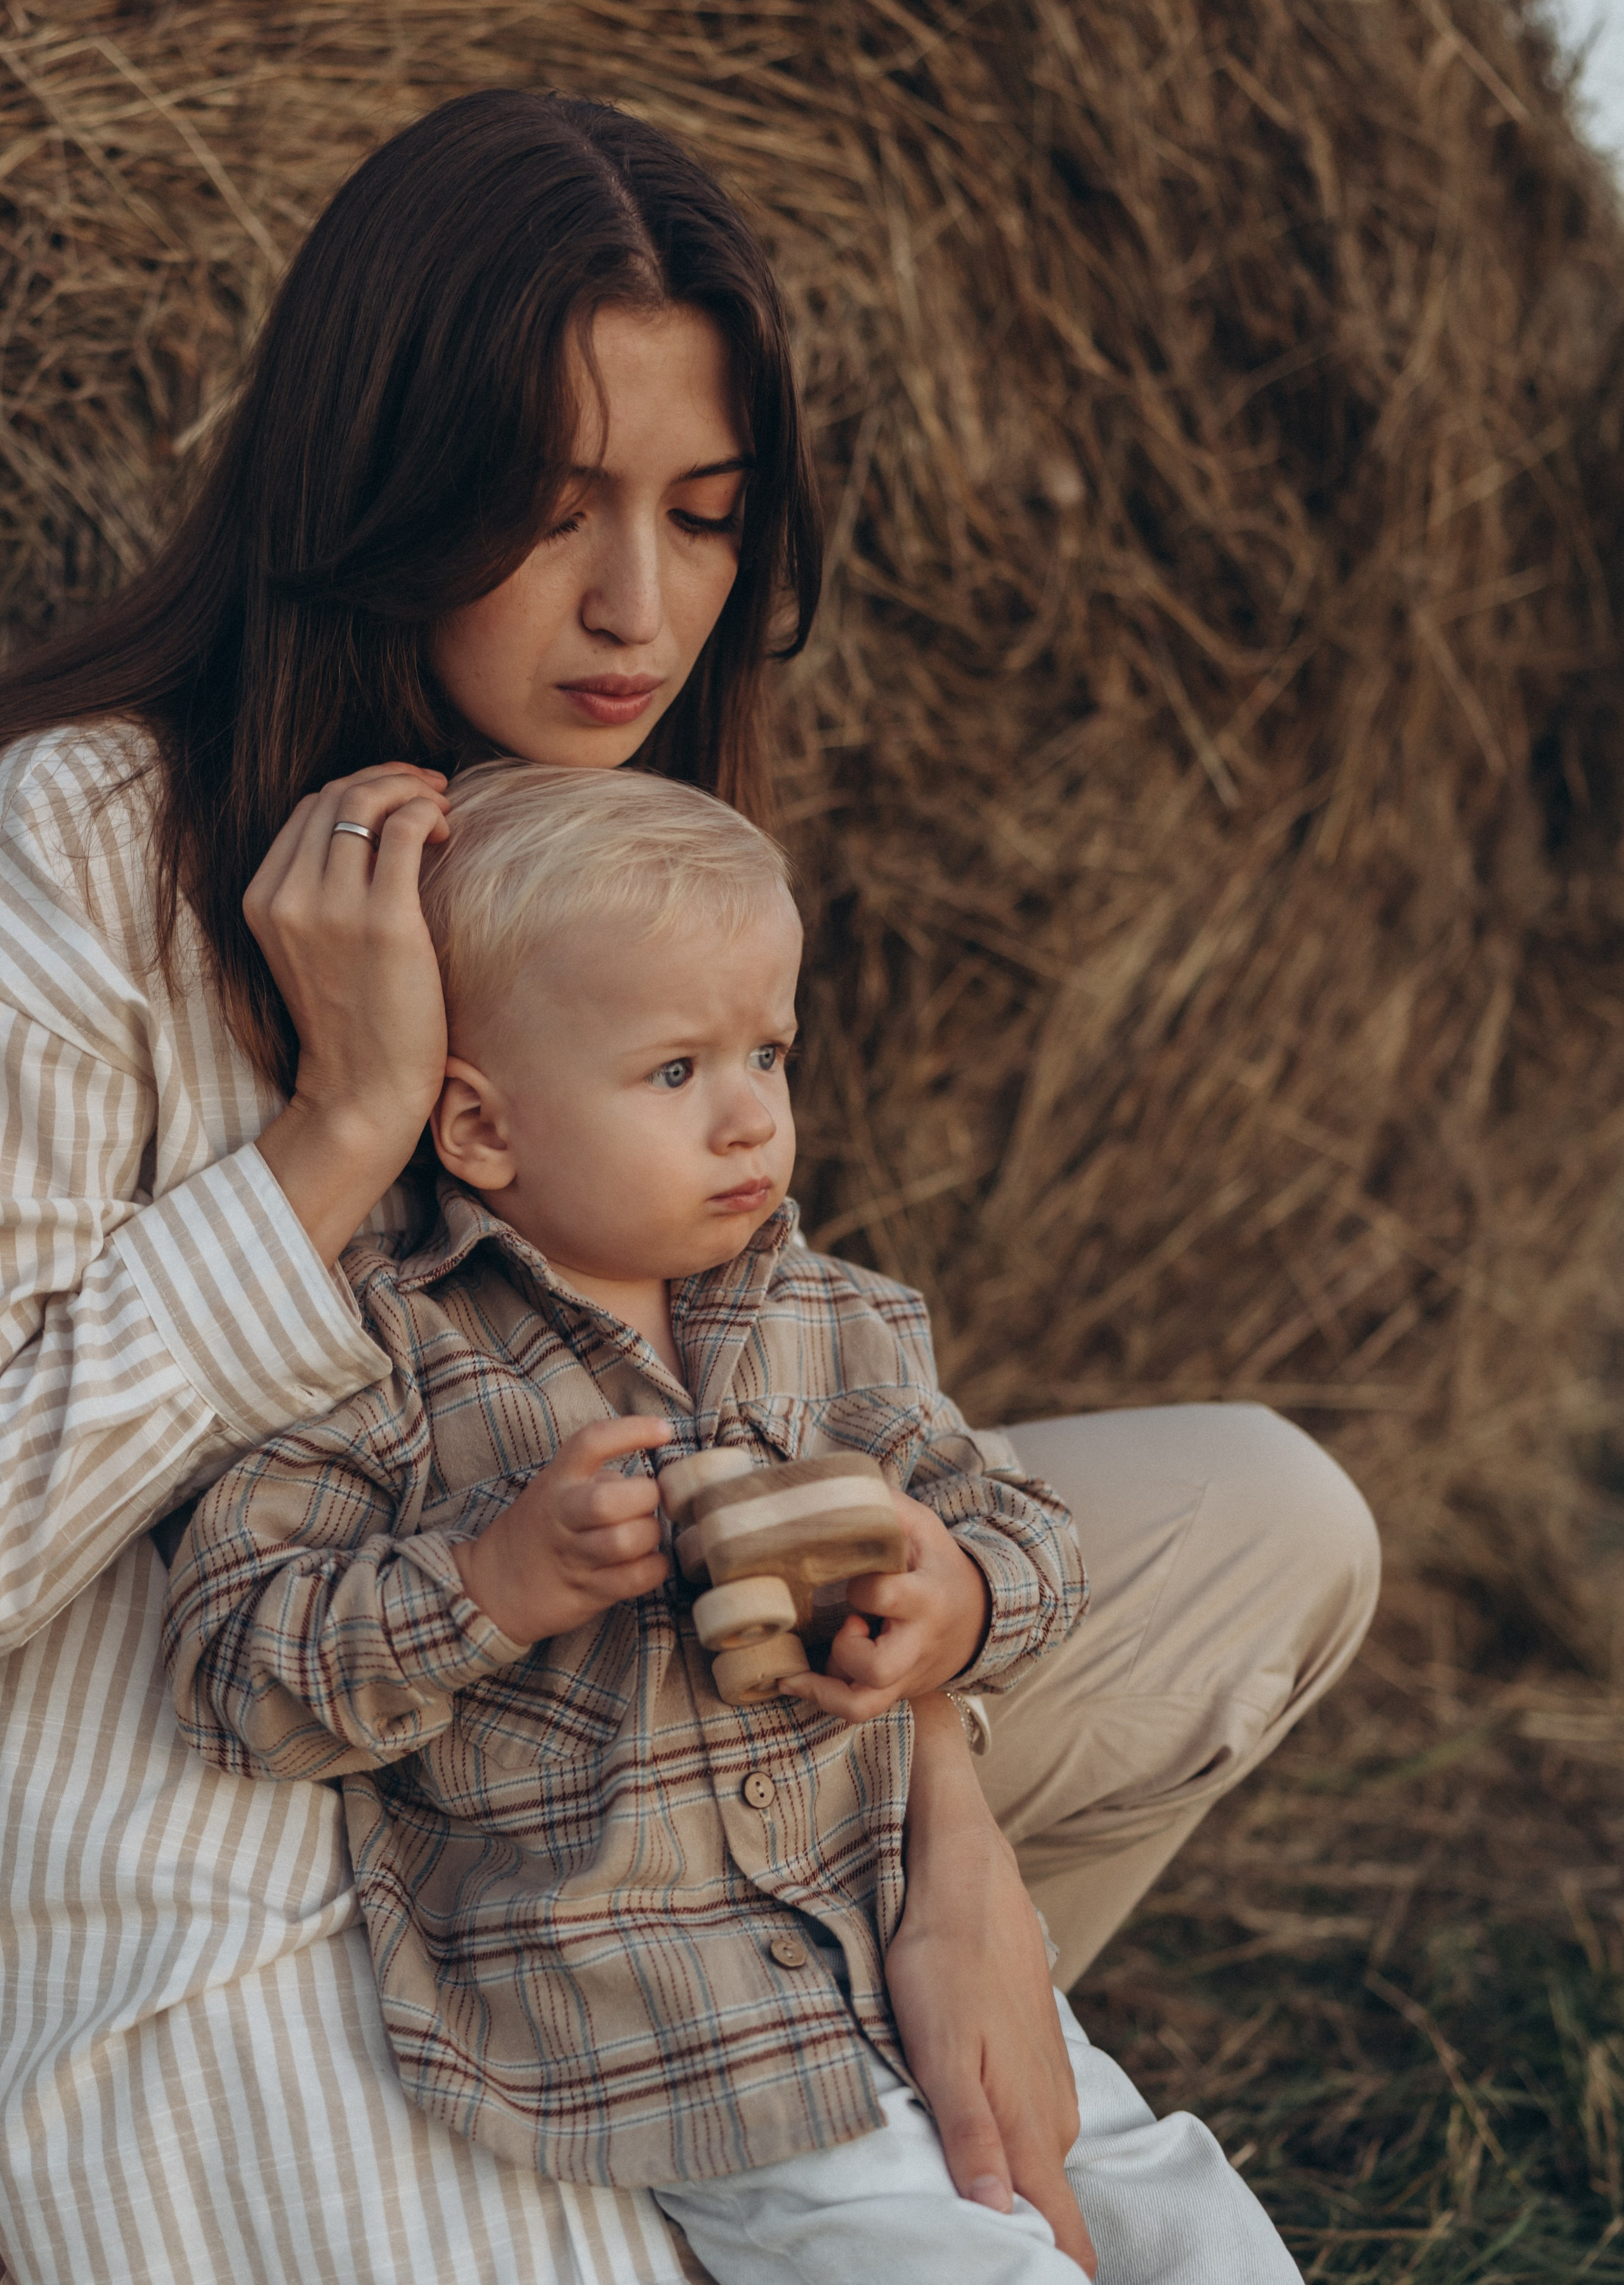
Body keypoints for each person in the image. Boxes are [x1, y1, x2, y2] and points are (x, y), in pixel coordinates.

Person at [0, 86, 1378, 2285]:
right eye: (548, 513)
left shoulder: (620, 839)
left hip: (648, 1736)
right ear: (376, 484)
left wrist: (952, 1840)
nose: (639, 611)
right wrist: (338, 1135)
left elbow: (784, 1395)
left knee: (1268, 1519)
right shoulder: (80, 851)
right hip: (238, 1777)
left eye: (709, 518)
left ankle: (817, 2016)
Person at [164, 760, 1301, 2285]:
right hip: (669, 2034)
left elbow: (1013, 1518)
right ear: (482, 1128)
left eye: (768, 1050)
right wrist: (491, 1581)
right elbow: (236, 1670)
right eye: (673, 1071)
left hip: (894, 1930)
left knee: (1187, 2221)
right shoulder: (382, 1358)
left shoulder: (833, 1317)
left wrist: (956, 1595)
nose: (748, 1117)